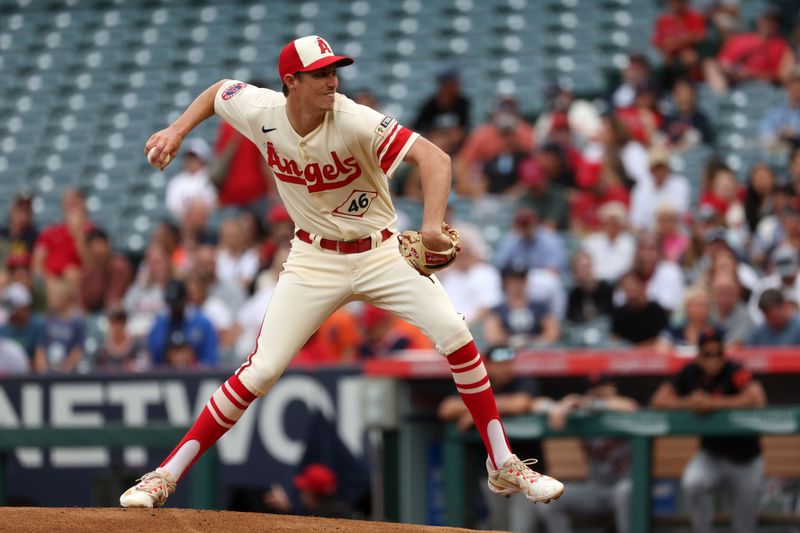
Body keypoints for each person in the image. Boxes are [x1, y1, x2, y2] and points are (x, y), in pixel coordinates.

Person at [120, 35, 563, 508]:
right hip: (313, 258)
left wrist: (431, 227)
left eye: (335, 71)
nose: (333, 80)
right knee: (262, 369)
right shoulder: (262, 111)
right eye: (322, 74)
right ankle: (164, 475)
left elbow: (436, 158)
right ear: (291, 82)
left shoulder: (354, 119)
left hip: (380, 251)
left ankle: (502, 462)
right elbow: (217, 91)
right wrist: (176, 130)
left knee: (456, 333)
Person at [651, 327, 767, 533]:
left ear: (724, 352)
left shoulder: (734, 370)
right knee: (693, 483)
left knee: (744, 526)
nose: (713, 358)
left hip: (745, 458)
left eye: (718, 353)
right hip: (711, 455)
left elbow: (757, 398)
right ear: (699, 354)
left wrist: (714, 403)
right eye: (707, 353)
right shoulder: (690, 372)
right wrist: (688, 402)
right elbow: (659, 399)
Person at [438, 346, 549, 533]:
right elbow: (446, 409)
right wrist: (477, 412)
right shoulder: (476, 383)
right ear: (487, 364)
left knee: (521, 528)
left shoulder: (523, 382)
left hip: (527, 472)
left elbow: (520, 403)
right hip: (494, 474)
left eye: (509, 363)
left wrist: (475, 412)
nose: (506, 368)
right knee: (498, 526)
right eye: (500, 363)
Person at [542, 374, 637, 533]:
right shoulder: (583, 414)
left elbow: (630, 406)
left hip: (625, 484)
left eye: (605, 389)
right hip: (596, 488)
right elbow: (543, 407)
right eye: (595, 391)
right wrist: (564, 405)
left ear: (614, 390)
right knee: (549, 498)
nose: (601, 393)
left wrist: (589, 403)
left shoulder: (622, 408)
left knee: (625, 492)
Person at [704, 6, 791, 94]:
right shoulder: (740, 39)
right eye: (767, 19)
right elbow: (723, 62)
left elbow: (779, 75)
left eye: (774, 21)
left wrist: (750, 74)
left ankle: (723, 98)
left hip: (759, 84)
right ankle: (721, 96)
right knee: (709, 63)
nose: (769, 23)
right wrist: (734, 70)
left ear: (779, 25)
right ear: (759, 20)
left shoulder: (782, 45)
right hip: (732, 77)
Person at [483, 263, 561, 349]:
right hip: (507, 354)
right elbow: (493, 336)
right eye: (513, 280)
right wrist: (510, 342)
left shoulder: (540, 307)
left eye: (521, 279)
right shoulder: (497, 310)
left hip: (537, 353)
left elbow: (552, 332)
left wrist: (532, 342)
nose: (518, 284)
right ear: (505, 282)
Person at [147, 279, 218, 367]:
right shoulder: (159, 324)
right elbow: (155, 361)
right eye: (172, 305)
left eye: (178, 304)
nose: (175, 308)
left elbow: (210, 360)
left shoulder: (203, 323)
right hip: (166, 377)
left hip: (196, 377)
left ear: (186, 300)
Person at [412, 65, 470, 155]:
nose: (456, 86)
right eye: (452, 83)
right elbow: (417, 128)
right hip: (433, 146)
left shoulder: (462, 103)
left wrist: (448, 137)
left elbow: (463, 130)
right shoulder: (430, 105)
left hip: (457, 149)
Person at [630, 148, 690, 232]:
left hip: (675, 232)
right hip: (649, 236)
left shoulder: (680, 185)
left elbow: (681, 213)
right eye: (655, 168)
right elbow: (636, 221)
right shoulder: (640, 189)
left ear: (668, 168)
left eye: (661, 167)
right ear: (650, 170)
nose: (658, 171)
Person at [263, 463, 354, 519]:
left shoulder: (321, 516)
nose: (301, 493)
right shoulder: (342, 509)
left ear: (310, 493)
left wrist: (287, 509)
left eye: (303, 490)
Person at [34, 277, 86, 373]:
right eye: (50, 295)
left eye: (55, 295)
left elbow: (78, 349)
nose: (51, 298)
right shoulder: (47, 320)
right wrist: (43, 369)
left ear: (67, 297)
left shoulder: (78, 322)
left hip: (68, 375)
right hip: (48, 373)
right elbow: (40, 347)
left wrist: (65, 370)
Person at [494, 207, 567, 274]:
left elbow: (554, 270)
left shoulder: (550, 239)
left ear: (536, 224)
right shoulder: (511, 239)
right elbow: (500, 265)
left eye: (527, 224)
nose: (525, 228)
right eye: (522, 225)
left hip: (542, 278)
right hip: (517, 279)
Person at [79, 228, 134, 312]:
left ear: (108, 245)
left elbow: (113, 301)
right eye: (92, 248)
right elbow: (82, 304)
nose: (97, 251)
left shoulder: (119, 267)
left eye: (99, 245)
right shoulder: (88, 273)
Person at [581, 201, 636, 283]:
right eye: (608, 223)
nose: (611, 226)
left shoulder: (629, 243)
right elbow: (587, 266)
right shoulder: (591, 241)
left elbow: (627, 267)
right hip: (596, 282)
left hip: (619, 281)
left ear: (621, 225)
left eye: (615, 223)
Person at [611, 271, 670, 347]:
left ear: (642, 286)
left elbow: (660, 340)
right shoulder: (620, 313)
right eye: (626, 290)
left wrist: (635, 349)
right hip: (625, 355)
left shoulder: (656, 311)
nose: (631, 295)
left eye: (632, 289)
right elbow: (615, 339)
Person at [165, 138, 217, 220]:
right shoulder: (176, 181)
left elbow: (212, 205)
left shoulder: (211, 178)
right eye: (188, 157)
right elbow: (173, 208)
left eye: (194, 157)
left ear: (202, 159)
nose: (190, 161)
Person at [93, 306, 149, 372]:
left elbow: (144, 368)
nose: (118, 326)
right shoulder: (101, 349)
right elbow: (96, 371)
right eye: (114, 322)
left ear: (125, 323)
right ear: (109, 323)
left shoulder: (137, 345)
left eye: (121, 322)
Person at [759, 69, 800, 151]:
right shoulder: (775, 113)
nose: (796, 88)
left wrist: (795, 135)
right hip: (780, 151)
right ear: (788, 87)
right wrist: (781, 134)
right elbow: (765, 137)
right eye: (793, 84)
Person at [0, 282, 43, 359]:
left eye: (16, 310)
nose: (12, 316)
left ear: (25, 307)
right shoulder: (3, 330)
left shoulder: (40, 326)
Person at [0, 190, 38, 269]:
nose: (23, 215)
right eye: (20, 209)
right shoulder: (2, 234)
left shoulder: (35, 238)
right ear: (11, 211)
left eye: (27, 210)